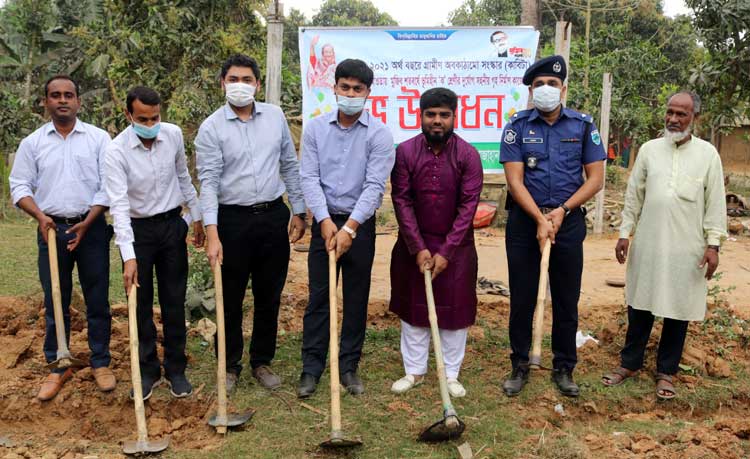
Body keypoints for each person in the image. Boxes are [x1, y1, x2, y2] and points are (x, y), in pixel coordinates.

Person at [602, 91, 727, 400]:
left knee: (678, 310)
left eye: (681, 114)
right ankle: (629, 364)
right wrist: (624, 233)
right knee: (640, 306)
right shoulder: (649, 150)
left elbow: (715, 204)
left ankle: (666, 372)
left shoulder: (708, 154)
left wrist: (714, 246)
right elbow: (634, 196)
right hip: (649, 243)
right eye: (670, 112)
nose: (673, 119)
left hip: (687, 248)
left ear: (695, 118)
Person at [196, 54, 306, 392]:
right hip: (232, 220)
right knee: (229, 296)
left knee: (268, 293)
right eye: (233, 79)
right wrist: (212, 234)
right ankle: (228, 366)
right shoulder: (211, 128)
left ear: (257, 84)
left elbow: (289, 164)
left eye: (247, 79)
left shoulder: (274, 118)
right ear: (222, 84)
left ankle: (262, 361)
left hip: (272, 216)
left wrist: (298, 211)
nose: (240, 85)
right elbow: (209, 182)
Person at [500, 55, 605, 398]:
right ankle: (519, 364)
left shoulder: (583, 126)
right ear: (531, 90)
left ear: (564, 89)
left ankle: (564, 367)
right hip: (524, 222)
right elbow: (515, 181)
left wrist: (561, 211)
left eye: (552, 84)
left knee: (565, 298)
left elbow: (596, 178)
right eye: (539, 85)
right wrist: (538, 219)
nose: (546, 90)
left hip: (568, 222)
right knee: (522, 296)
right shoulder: (516, 126)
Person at [10, 75, 114, 401]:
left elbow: (109, 185)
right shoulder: (32, 144)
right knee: (56, 299)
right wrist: (40, 216)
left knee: (97, 298)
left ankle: (100, 361)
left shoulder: (98, 139)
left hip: (92, 227)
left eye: (69, 95)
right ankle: (59, 363)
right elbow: (20, 186)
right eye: (55, 95)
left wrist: (89, 220)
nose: (63, 100)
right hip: (52, 229)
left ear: (79, 101)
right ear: (46, 102)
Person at [298, 58, 395, 398]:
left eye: (358, 89)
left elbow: (373, 187)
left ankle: (348, 367)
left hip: (360, 226)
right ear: (334, 88)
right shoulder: (315, 129)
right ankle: (311, 368)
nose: (350, 94)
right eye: (345, 87)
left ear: (368, 93)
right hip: (324, 224)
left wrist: (350, 229)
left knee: (356, 299)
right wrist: (324, 222)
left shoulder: (380, 135)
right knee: (319, 299)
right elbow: (309, 177)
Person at [105, 86, 204, 400]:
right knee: (141, 304)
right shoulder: (116, 151)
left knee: (175, 300)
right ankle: (147, 371)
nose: (150, 125)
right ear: (128, 116)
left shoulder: (172, 135)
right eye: (143, 119)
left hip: (172, 227)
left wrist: (197, 216)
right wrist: (128, 255)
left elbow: (183, 176)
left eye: (155, 118)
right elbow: (118, 205)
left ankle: (176, 368)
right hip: (138, 232)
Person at [389, 88, 483, 398]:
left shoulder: (468, 155)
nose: (437, 121)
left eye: (444, 115)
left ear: (455, 117)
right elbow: (401, 200)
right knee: (415, 310)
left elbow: (468, 207)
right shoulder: (405, 152)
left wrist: (446, 251)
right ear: (420, 116)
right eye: (431, 114)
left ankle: (451, 374)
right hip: (412, 246)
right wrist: (418, 248)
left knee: (455, 313)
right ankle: (414, 371)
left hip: (457, 248)